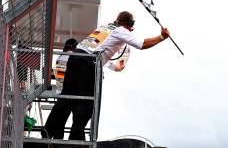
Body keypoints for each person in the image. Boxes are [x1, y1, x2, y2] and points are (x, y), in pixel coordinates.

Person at [45, 11, 170, 140]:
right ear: (128, 24)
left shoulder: (105, 28)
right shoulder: (121, 30)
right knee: (86, 103)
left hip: (76, 58)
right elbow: (142, 44)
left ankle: (48, 130)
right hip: (87, 63)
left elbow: (101, 51)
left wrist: (115, 66)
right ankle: (76, 136)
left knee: (67, 97)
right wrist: (161, 37)